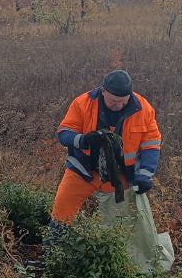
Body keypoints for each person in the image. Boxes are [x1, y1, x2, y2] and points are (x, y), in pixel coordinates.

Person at [51, 69, 161, 228]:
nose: (119, 105)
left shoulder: (143, 109)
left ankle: (108, 251)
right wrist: (83, 140)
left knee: (118, 226)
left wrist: (145, 175)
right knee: (60, 216)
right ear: (103, 91)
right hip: (82, 170)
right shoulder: (83, 103)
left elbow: (151, 144)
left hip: (119, 176)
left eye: (123, 101)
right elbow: (63, 133)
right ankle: (54, 248)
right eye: (114, 101)